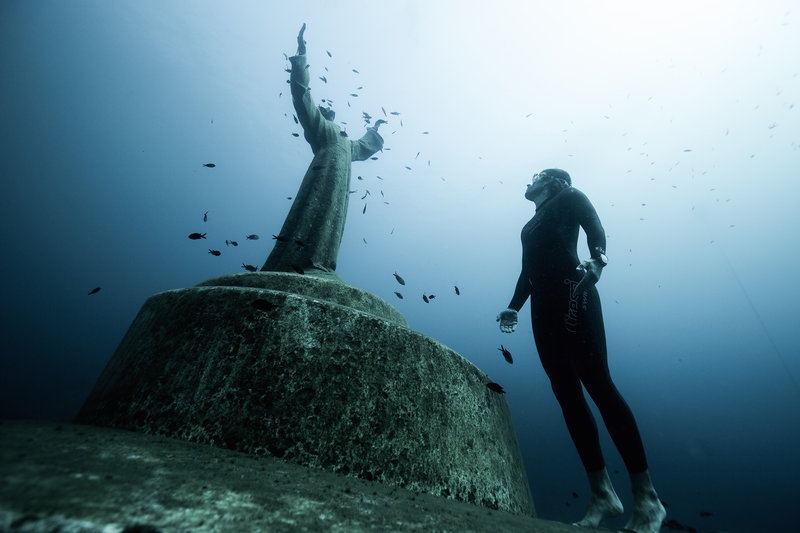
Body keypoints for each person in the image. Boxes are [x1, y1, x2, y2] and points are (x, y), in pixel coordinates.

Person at [496, 169, 666, 533]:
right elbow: (529, 269)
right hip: (542, 308)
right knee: (566, 395)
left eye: (535, 175)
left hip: (576, 291)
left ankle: (648, 500)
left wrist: (598, 261)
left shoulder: (570, 197)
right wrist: (514, 305)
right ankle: (602, 494)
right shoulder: (531, 224)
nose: (527, 180)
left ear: (552, 182)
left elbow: (595, 228)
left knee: (599, 386)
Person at [261, 23, 386, 276]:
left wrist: (374, 127)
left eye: (329, 111)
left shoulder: (347, 144)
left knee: (333, 218)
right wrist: (301, 54)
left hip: (341, 185)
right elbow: (302, 96)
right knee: (310, 211)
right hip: (322, 173)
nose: (326, 111)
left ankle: (321, 262)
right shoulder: (320, 128)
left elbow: (364, 146)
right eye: (323, 111)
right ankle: (292, 262)